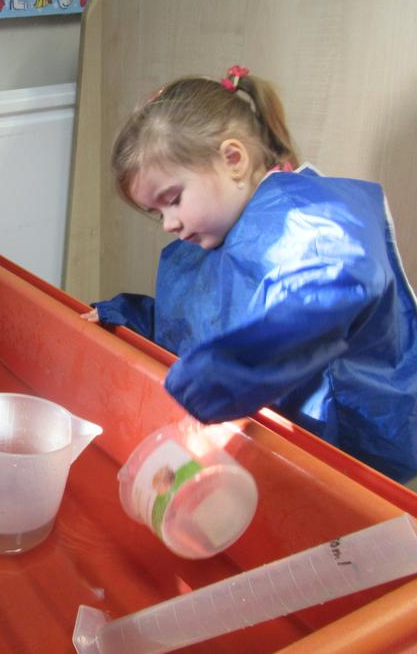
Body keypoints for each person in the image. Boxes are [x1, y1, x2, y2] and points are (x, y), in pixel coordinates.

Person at [82, 65, 417, 484]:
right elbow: (195, 319)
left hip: (351, 450)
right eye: (157, 212)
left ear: (233, 159)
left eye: (172, 200)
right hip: (276, 449)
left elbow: (330, 284)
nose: (168, 223)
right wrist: (123, 317)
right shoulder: (214, 239)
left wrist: (232, 367)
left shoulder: (305, 218)